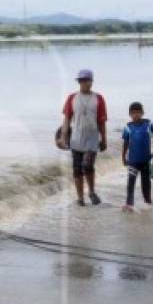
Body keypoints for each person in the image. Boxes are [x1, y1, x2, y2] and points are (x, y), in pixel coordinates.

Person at [61, 69, 107, 206]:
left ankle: (91, 191)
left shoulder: (98, 99)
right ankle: (80, 198)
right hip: (76, 139)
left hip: (92, 138)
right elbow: (67, 119)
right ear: (79, 82)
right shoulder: (72, 98)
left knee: (87, 166)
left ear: (91, 81)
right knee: (76, 170)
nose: (84, 83)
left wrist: (104, 139)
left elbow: (102, 121)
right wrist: (63, 137)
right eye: (81, 80)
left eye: (87, 80)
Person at [121, 102, 153, 212]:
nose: (136, 115)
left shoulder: (148, 124)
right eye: (133, 113)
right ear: (130, 114)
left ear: (142, 113)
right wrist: (123, 156)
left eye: (138, 112)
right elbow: (125, 143)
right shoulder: (128, 127)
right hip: (133, 160)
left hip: (146, 160)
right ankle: (129, 204)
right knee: (131, 182)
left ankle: (147, 201)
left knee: (146, 182)